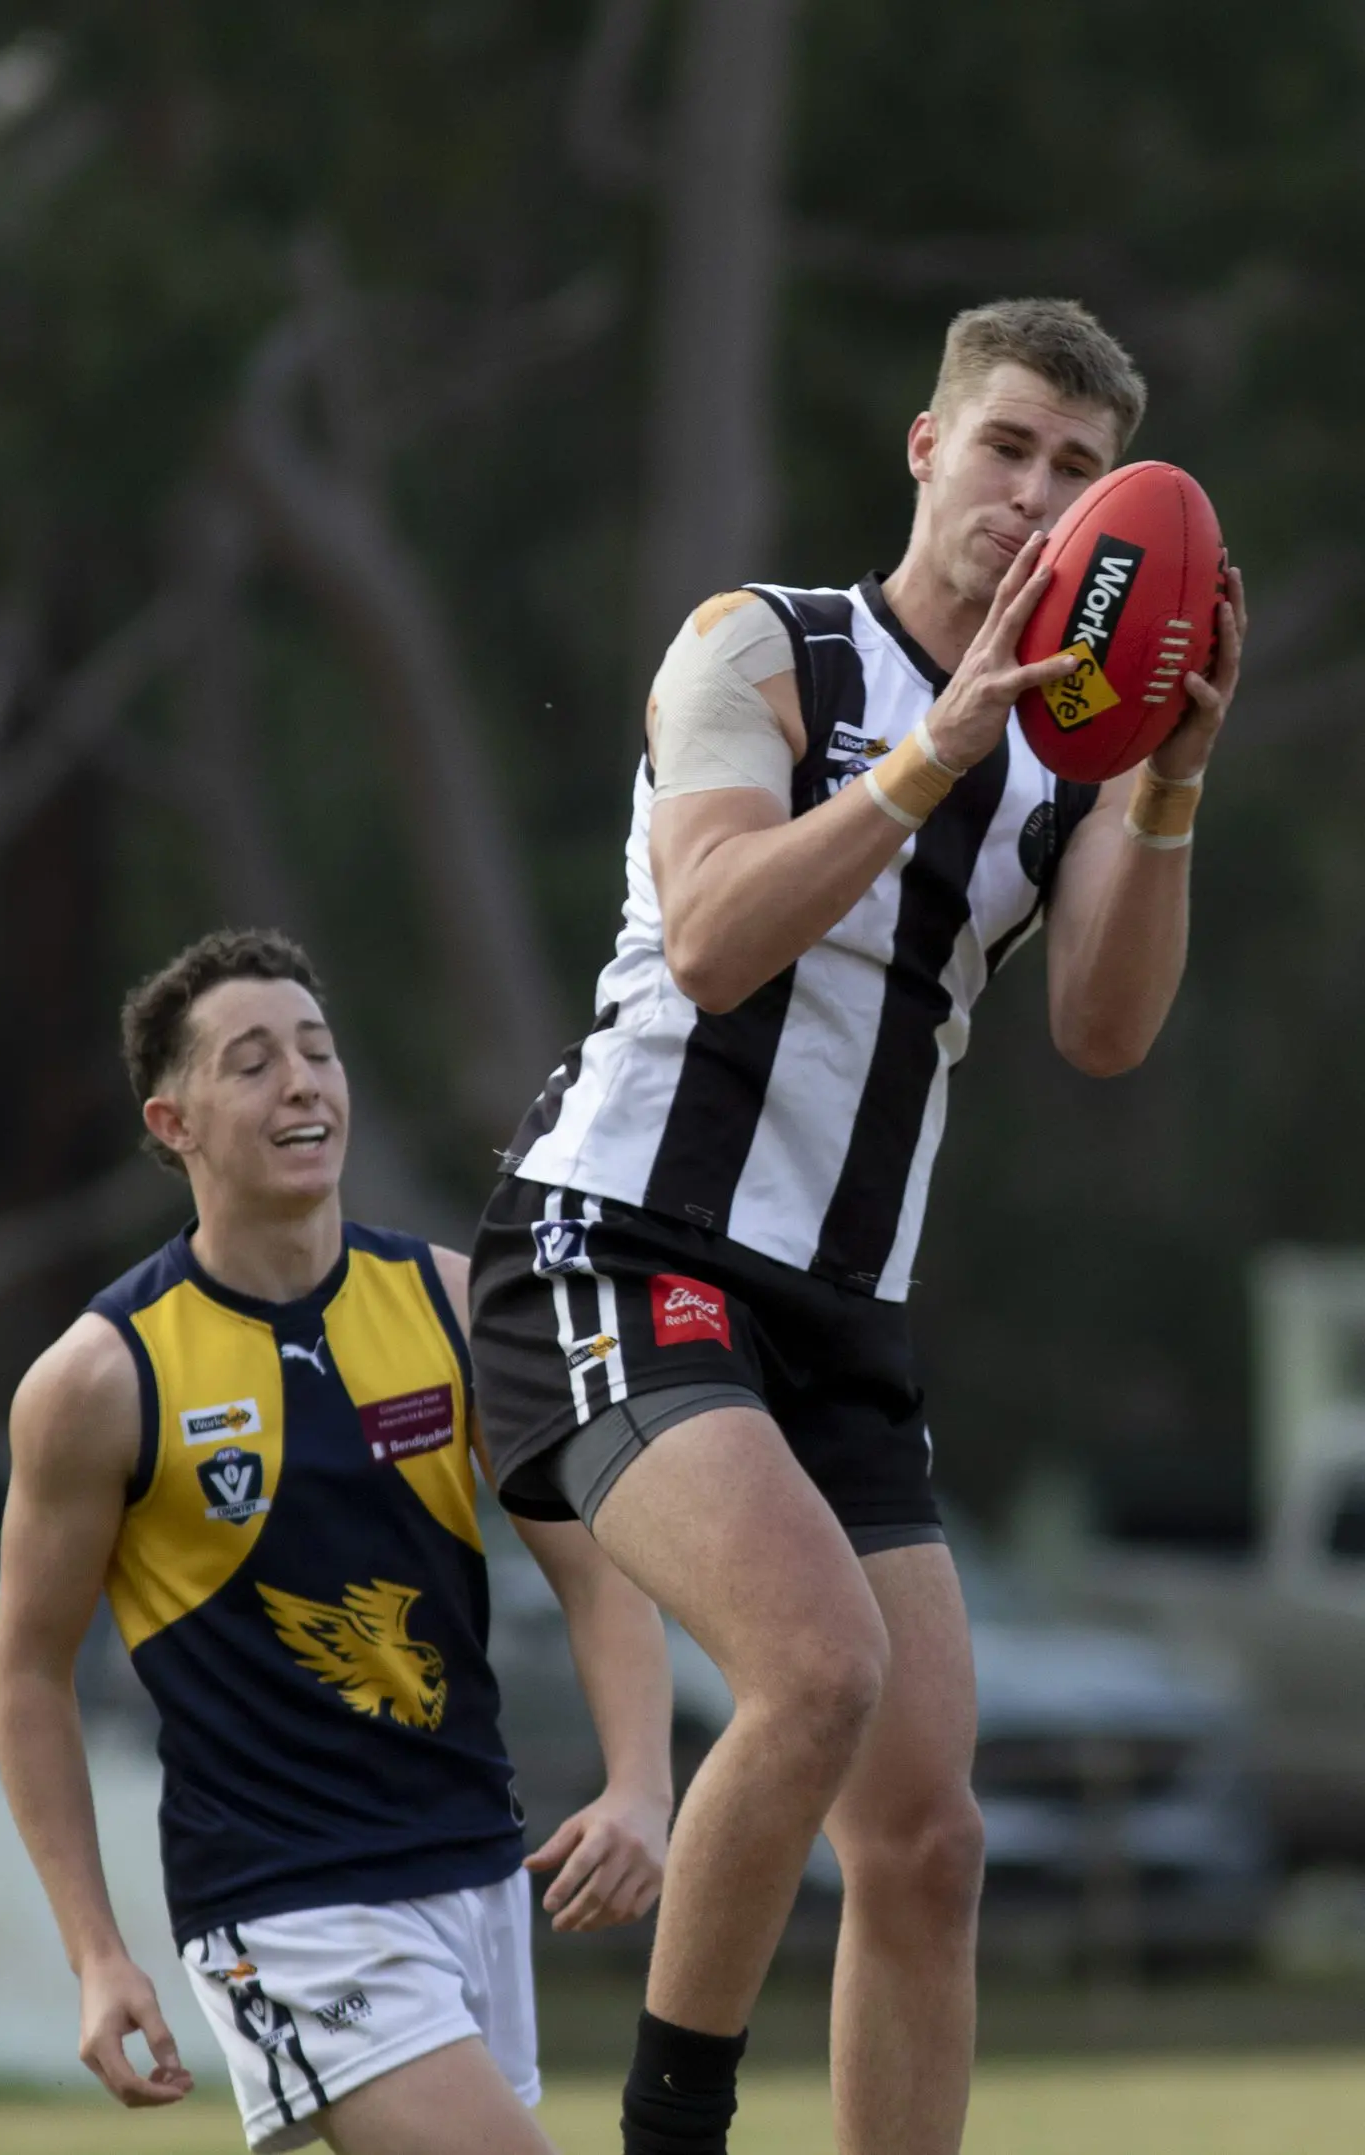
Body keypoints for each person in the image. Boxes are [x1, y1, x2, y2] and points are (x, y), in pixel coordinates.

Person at [469, 297, 1248, 2155]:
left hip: (836, 1318)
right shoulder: (763, 650)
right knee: (817, 1672)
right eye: (1008, 448)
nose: (1034, 497)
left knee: (927, 1840)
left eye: (1075, 474)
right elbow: (725, 931)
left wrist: (1166, 779)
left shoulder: (1060, 762)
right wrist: (931, 751)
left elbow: (1105, 1032)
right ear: (925, 448)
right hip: (619, 1248)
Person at [0, 928, 673, 2155]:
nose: (303, 1081)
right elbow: (27, 1673)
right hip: (285, 1900)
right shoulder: (102, 1377)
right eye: (251, 1063)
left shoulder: (453, 1307)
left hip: (475, 1864)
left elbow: (595, 1565)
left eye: (318, 1049)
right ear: (174, 1120)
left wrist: (640, 1785)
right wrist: (97, 1952)